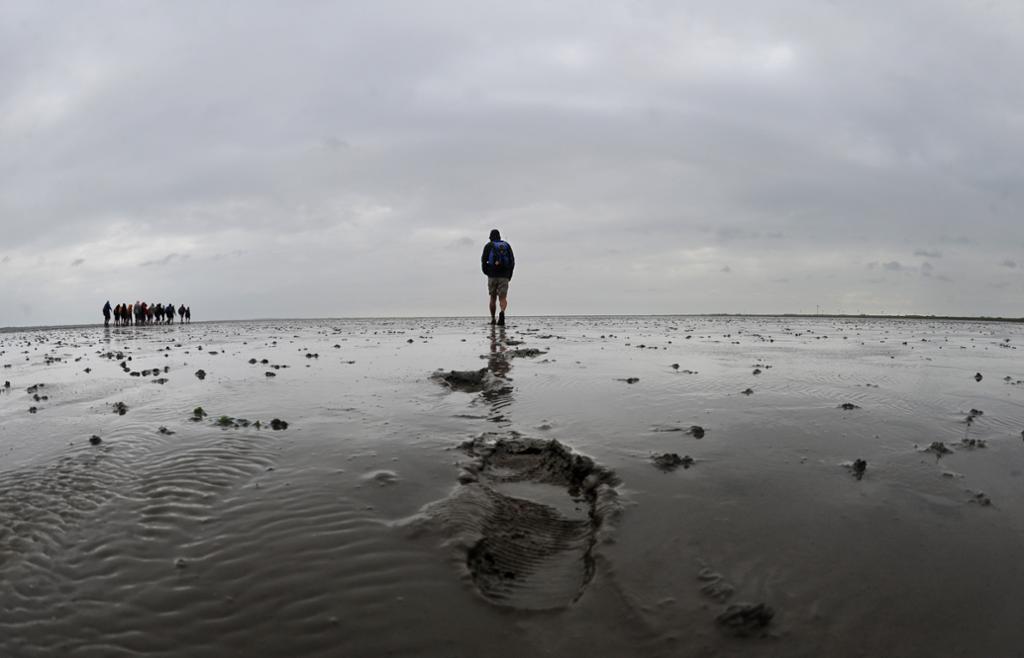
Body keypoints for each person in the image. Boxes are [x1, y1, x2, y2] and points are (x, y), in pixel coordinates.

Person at [481, 229, 515, 326]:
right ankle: (502, 312)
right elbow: (512, 261)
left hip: (492, 275)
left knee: (492, 297)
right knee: (503, 298)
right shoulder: (506, 245)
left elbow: (483, 260)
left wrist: (486, 272)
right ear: (499, 237)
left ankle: (493, 319)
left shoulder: (488, 246)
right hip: (504, 275)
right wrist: (509, 274)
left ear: (491, 237)